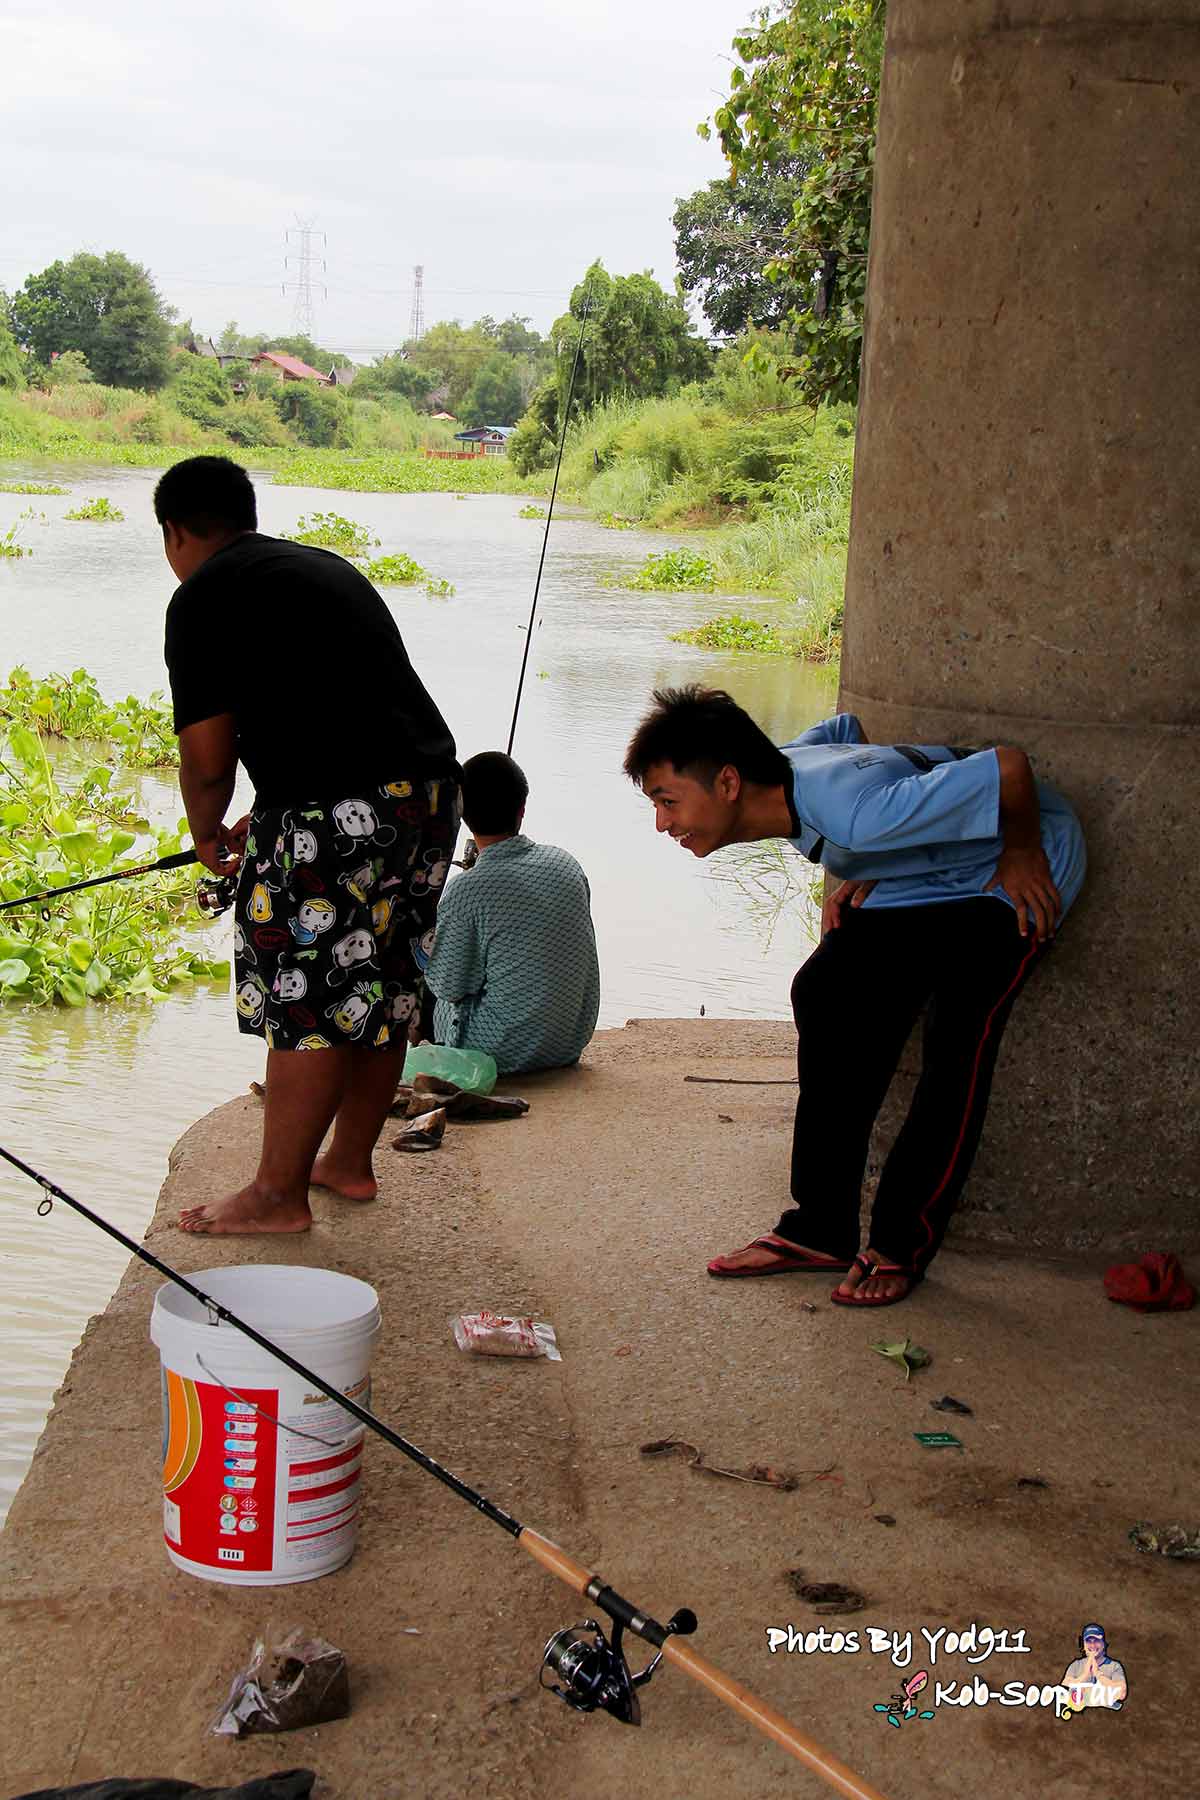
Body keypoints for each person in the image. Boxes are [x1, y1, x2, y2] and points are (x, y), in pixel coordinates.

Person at [623, 687, 1086, 1307]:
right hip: (932, 878)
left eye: (668, 801)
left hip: (1021, 870)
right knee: (824, 989)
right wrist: (871, 863)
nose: (663, 824)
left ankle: (901, 1243)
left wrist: (1023, 851)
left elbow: (1008, 767)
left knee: (958, 1040)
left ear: (728, 782)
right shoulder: (790, 765)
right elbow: (846, 727)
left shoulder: (851, 817)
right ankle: (820, 1227)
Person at [157, 455, 459, 1234]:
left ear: (176, 532)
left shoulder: (201, 597)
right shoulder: (322, 567)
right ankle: (349, 1164)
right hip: (426, 797)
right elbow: (332, 711)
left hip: (329, 815)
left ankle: (276, 1194)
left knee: (306, 997)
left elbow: (207, 757)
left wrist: (203, 831)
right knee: (385, 981)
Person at [423, 751, 600, 1073]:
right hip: (568, 1043)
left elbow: (449, 987)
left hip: (496, 1053)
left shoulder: (466, 889)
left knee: (428, 975)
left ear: (461, 813)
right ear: (522, 809)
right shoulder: (566, 864)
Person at [1060, 1625, 1127, 1712]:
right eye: (1088, 1641)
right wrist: (1085, 1675)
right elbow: (1064, 1688)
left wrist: (1098, 1674)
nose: (1092, 1645)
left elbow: (1122, 1693)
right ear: (1083, 1645)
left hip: (1108, 1716)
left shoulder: (1114, 1666)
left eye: (1097, 1641)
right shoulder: (1076, 1665)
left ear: (1103, 1644)